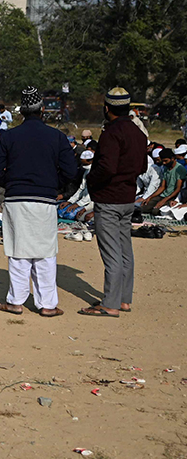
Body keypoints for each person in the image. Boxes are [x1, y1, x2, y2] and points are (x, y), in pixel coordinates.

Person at [0, 87, 79, 317]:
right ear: (43, 110)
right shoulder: (56, 136)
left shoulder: (9, 136)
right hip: (45, 200)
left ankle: (16, 302)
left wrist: (13, 182)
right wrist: (55, 186)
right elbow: (71, 170)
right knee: (45, 253)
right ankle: (47, 305)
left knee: (18, 251)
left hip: (17, 198)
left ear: (21, 111)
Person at [80, 87, 148, 317]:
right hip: (128, 197)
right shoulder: (138, 133)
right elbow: (143, 167)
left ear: (107, 108)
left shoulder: (111, 133)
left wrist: (92, 180)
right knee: (125, 250)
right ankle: (124, 300)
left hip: (109, 198)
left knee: (111, 253)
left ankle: (110, 304)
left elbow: (107, 167)